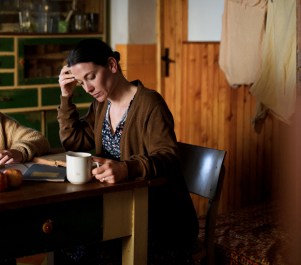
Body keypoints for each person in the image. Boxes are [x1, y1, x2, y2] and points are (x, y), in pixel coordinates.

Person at [56, 39, 198, 264]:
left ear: (112, 65)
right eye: (81, 82)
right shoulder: (102, 104)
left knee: (85, 253)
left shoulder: (150, 104)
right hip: (119, 209)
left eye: (91, 77)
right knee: (63, 241)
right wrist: (66, 97)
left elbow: (170, 158)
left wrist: (126, 168)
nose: (88, 88)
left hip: (160, 220)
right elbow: (74, 142)